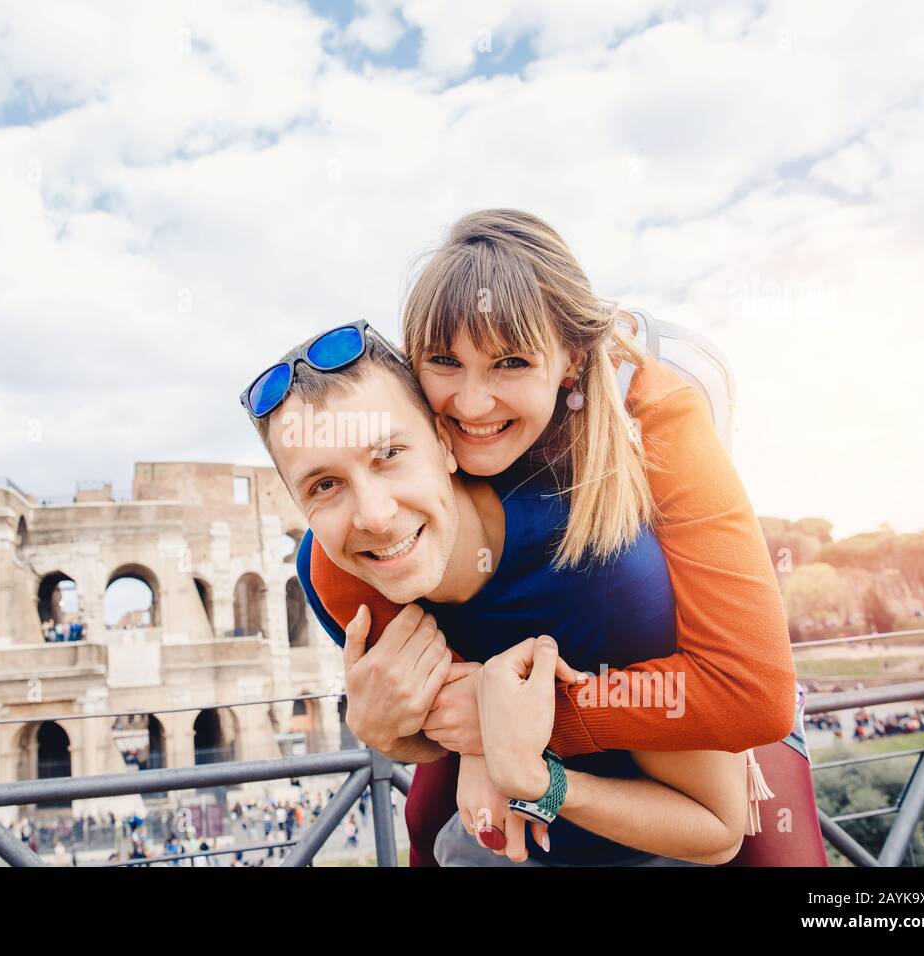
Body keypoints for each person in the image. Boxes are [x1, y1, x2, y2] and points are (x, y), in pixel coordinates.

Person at [264, 209, 824, 866]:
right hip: (533, 685)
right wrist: (417, 735)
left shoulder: (656, 420)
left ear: (570, 361)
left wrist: (524, 727)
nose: (472, 405)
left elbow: (750, 692)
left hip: (685, 687)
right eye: (445, 361)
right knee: (425, 823)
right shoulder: (368, 523)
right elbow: (438, 705)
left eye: (511, 363)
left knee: (784, 856)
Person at [244, 323, 750, 865]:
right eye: (324, 486)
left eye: (389, 454)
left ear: (444, 443)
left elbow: (717, 830)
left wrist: (534, 775)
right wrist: (384, 734)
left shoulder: (602, 569)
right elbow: (438, 732)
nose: (374, 516)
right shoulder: (338, 576)